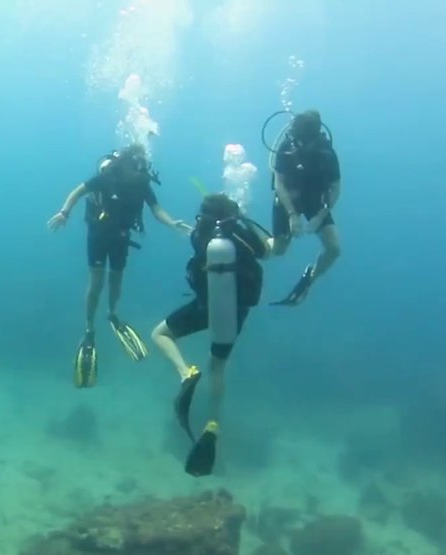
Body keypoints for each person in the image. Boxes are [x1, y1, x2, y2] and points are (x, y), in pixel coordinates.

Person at [149, 193, 275, 477]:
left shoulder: (199, 234)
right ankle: (213, 423)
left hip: (206, 305)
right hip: (235, 312)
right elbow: (268, 251)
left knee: (161, 334)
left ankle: (184, 373)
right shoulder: (241, 234)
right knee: (217, 365)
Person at [47, 143, 191, 388]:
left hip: (121, 235)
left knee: (116, 278)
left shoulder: (143, 184)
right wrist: (64, 213)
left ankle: (112, 314)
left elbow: (156, 210)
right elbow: (78, 191)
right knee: (96, 281)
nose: (142, 167)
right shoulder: (107, 177)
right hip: (99, 233)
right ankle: (89, 327)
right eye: (139, 162)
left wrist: (172, 223)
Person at [270, 109, 341, 306]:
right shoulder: (286, 147)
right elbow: (279, 184)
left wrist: (321, 215)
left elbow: (335, 187)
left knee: (334, 249)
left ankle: (310, 277)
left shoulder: (326, 153)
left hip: (314, 201)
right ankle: (258, 243)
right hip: (287, 198)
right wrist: (292, 215)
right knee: (279, 250)